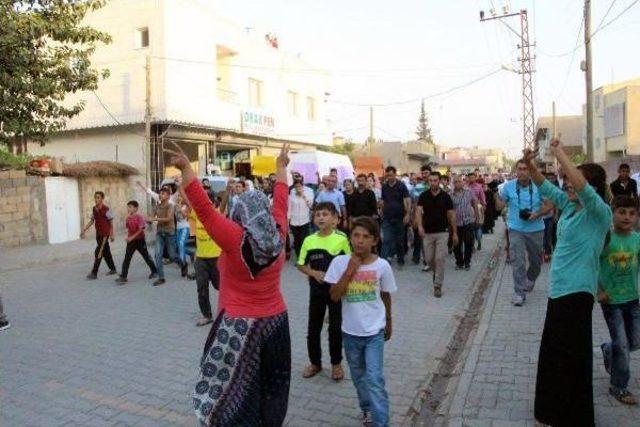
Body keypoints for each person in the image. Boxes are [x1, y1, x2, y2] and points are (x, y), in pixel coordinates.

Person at [166, 142, 291, 426]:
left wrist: (186, 168)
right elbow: (281, 199)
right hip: (275, 323)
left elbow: (204, 209)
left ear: (240, 213)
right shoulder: (279, 232)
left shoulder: (234, 238)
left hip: (238, 327)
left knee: (228, 391)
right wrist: (281, 168)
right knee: (271, 384)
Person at [527, 138, 612, 427]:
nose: (570, 186)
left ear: (594, 188)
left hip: (578, 292)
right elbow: (545, 186)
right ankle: (550, 410)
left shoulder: (598, 213)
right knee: (553, 352)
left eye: (577, 182)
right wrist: (529, 165)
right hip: (559, 290)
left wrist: (559, 152)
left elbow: (582, 186)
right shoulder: (570, 207)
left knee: (571, 355)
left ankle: (573, 416)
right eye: (570, 182)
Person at [325, 217, 396, 427]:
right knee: (358, 377)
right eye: (356, 235)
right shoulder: (339, 263)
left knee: (374, 378)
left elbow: (385, 295)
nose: (360, 241)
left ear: (374, 241)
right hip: (350, 333)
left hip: (374, 332)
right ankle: (367, 410)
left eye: (366, 237)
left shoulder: (382, 266)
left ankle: (381, 422)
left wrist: (389, 321)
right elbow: (335, 296)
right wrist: (350, 270)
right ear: (350, 238)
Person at [297, 202, 351, 381]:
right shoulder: (309, 240)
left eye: (325, 214)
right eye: (318, 214)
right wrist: (313, 272)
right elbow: (300, 264)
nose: (321, 217)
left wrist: (343, 285)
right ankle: (315, 363)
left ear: (335, 219)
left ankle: (336, 364)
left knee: (335, 329)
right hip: (316, 291)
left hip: (335, 292)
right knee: (314, 328)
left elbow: (350, 264)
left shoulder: (342, 239)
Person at [598, 195, 640, 405]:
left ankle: (608, 349)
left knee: (635, 341)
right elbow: (592, 263)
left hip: (633, 299)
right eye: (622, 212)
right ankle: (619, 386)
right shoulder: (606, 238)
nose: (627, 217)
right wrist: (599, 290)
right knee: (623, 345)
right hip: (611, 301)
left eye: (632, 213)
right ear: (613, 212)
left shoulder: (637, 239)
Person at [497, 160, 550, 306]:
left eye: (525, 169)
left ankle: (531, 278)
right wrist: (497, 198)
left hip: (536, 229)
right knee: (518, 261)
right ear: (516, 171)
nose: (522, 172)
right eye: (519, 169)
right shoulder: (508, 186)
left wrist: (537, 214)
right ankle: (519, 293)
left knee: (536, 262)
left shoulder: (539, 186)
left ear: (530, 171)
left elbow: (549, 206)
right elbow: (500, 205)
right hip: (515, 229)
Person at [416, 172, 457, 298]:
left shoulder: (446, 197)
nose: (433, 183)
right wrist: (420, 226)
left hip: (442, 232)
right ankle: (436, 272)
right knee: (429, 259)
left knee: (440, 258)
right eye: (431, 180)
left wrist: (454, 232)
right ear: (428, 182)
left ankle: (437, 285)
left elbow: (451, 215)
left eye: (435, 180)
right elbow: (418, 212)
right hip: (427, 233)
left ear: (439, 181)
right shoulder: (423, 196)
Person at [189, 197, 222, 328]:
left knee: (220, 286)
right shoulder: (197, 213)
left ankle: (232, 308)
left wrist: (228, 190)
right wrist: (181, 186)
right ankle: (207, 315)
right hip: (201, 257)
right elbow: (188, 200)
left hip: (216, 257)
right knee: (201, 287)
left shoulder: (216, 214)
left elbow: (224, 204)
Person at [115, 200, 157, 284]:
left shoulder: (139, 217)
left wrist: (131, 238)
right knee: (127, 258)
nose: (128, 209)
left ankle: (154, 271)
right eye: (128, 207)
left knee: (146, 256)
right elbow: (129, 229)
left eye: (130, 207)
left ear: (136, 208)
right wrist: (129, 237)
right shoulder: (128, 218)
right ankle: (123, 276)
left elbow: (141, 229)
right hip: (131, 241)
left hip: (139, 240)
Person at [146, 188, 179, 286]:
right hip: (160, 233)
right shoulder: (156, 207)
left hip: (170, 233)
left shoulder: (171, 206)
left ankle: (183, 264)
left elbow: (168, 218)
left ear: (168, 196)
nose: (161, 195)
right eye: (160, 193)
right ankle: (161, 277)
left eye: (163, 194)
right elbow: (151, 218)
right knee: (157, 255)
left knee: (172, 256)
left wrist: (154, 218)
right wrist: (148, 220)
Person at [81, 191, 117, 279]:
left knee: (99, 252)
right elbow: (92, 220)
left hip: (105, 234)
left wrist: (112, 235)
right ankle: (113, 268)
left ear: (102, 199)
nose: (96, 199)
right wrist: (84, 229)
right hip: (98, 234)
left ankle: (94, 273)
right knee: (106, 252)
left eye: (98, 197)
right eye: (95, 197)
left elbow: (111, 224)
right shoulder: (94, 208)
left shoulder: (107, 209)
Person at [380, 166, 411, 267]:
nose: (389, 177)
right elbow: (383, 200)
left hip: (400, 217)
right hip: (387, 217)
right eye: (387, 175)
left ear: (395, 174)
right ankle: (384, 261)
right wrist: (381, 210)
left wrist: (407, 214)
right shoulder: (384, 187)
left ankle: (400, 260)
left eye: (391, 175)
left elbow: (407, 199)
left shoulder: (401, 185)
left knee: (399, 240)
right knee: (386, 239)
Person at [451, 175, 479, 271]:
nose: (457, 183)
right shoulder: (450, 194)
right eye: (455, 182)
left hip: (468, 221)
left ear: (462, 182)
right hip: (456, 224)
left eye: (459, 181)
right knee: (457, 244)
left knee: (469, 243)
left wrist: (477, 216)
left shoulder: (469, 192)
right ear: (453, 183)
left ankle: (467, 262)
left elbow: (474, 203)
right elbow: (449, 210)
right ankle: (459, 262)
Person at [411, 165, 431, 266]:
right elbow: (415, 203)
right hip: (421, 216)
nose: (424, 175)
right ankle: (422, 258)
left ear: (430, 173)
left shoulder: (436, 186)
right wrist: (414, 217)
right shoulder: (418, 186)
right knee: (420, 237)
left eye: (426, 173)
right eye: (422, 173)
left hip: (433, 217)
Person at [288, 180, 313, 258]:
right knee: (297, 240)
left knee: (304, 240)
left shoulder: (308, 193)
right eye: (296, 186)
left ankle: (305, 257)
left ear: (302, 186)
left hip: (304, 221)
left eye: (299, 186)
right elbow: (289, 209)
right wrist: (288, 221)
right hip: (294, 222)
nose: (298, 188)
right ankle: (299, 258)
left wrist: (303, 195)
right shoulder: (291, 195)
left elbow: (310, 206)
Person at [467, 172, 486, 251]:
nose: (471, 179)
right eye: (470, 177)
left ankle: (479, 241)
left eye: (472, 177)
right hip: (468, 209)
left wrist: (484, 206)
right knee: (470, 228)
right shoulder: (466, 187)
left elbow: (482, 197)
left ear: (475, 178)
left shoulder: (479, 187)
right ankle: (472, 246)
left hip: (478, 208)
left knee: (478, 226)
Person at [175, 197, 191, 277]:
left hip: (185, 227)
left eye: (181, 196)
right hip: (178, 229)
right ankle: (192, 253)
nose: (179, 198)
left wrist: (180, 209)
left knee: (181, 245)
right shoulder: (175, 206)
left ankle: (183, 265)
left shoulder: (186, 206)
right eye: (178, 196)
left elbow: (186, 216)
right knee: (179, 246)